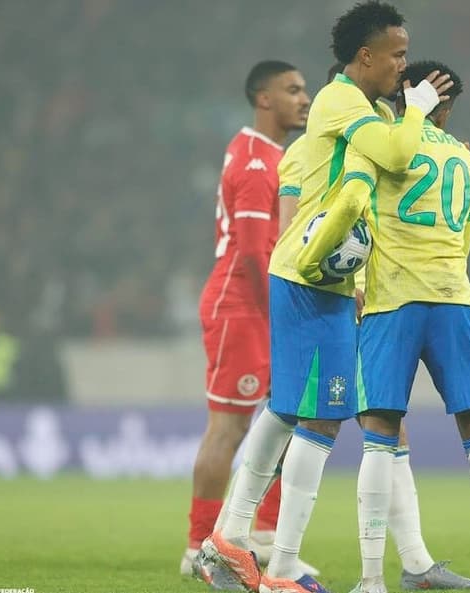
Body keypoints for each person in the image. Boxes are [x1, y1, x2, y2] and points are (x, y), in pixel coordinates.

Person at [201, 3, 454, 593]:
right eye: (395, 54)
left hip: (315, 276)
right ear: (364, 55)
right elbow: (394, 156)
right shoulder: (344, 101)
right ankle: (282, 567)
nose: (403, 64)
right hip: (316, 279)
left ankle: (227, 540)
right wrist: (416, 110)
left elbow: (385, 172)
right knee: (319, 416)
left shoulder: (350, 114)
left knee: (287, 410)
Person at [317, 60, 470, 593]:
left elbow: (354, 206)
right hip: (453, 301)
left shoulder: (381, 143)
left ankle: (371, 580)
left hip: (392, 302)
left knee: (378, 439)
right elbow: (465, 237)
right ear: (446, 107)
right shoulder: (465, 159)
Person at [182, 60, 312, 580]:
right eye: (293, 90)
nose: (305, 98)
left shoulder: (272, 155)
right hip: (242, 306)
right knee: (231, 428)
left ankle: (261, 534)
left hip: (264, 307)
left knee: (287, 419)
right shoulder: (257, 162)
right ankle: (198, 546)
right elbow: (259, 253)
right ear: (264, 99)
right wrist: (284, 310)